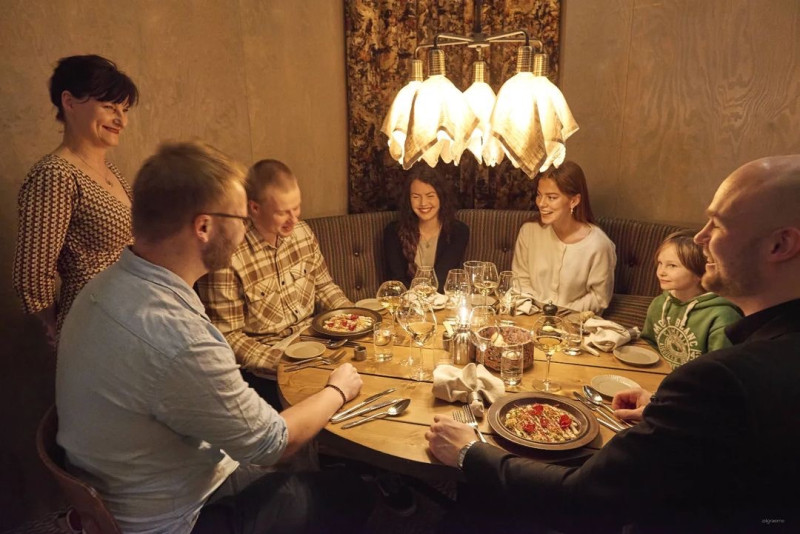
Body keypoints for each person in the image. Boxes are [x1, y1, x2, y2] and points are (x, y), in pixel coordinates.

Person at [426, 155, 800, 533]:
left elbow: (585, 497)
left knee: (474, 513)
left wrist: (469, 453)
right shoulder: (748, 369)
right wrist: (669, 413)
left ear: (780, 244)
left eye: (717, 224)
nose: (700, 238)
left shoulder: (718, 379)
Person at [56, 141, 372, 534]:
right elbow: (275, 443)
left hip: (141, 485)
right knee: (352, 493)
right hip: (179, 516)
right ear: (204, 226)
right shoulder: (179, 337)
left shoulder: (101, 287)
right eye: (240, 216)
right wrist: (338, 388)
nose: (244, 229)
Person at [196, 159, 352, 405]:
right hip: (266, 373)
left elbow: (324, 287)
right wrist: (284, 361)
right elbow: (228, 335)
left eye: (297, 208)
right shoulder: (228, 255)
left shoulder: (302, 233)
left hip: (319, 350)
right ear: (254, 208)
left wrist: (353, 318)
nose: (293, 219)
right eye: (282, 212)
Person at [13, 54, 139, 346]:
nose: (121, 119)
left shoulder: (112, 172)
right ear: (69, 102)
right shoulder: (55, 174)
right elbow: (31, 274)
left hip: (131, 318)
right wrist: (56, 325)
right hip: (94, 323)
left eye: (125, 109)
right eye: (109, 107)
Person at [511, 161, 616, 314]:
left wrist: (559, 315)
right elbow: (520, 281)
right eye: (539, 195)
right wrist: (536, 315)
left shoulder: (599, 245)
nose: (541, 203)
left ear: (574, 201)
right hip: (529, 317)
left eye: (551, 197)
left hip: (575, 325)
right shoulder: (529, 231)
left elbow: (599, 297)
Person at [641, 229, 742, 368]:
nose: (661, 272)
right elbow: (648, 344)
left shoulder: (722, 317)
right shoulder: (659, 303)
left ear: (700, 272)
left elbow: (721, 370)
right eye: (660, 263)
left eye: (672, 266)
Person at [383, 165, 469, 291]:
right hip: (406, 304)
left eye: (430, 196)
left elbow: (442, 277)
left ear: (441, 197)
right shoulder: (393, 232)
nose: (423, 203)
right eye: (416, 197)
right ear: (408, 200)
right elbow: (398, 281)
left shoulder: (458, 231)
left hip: (442, 304)